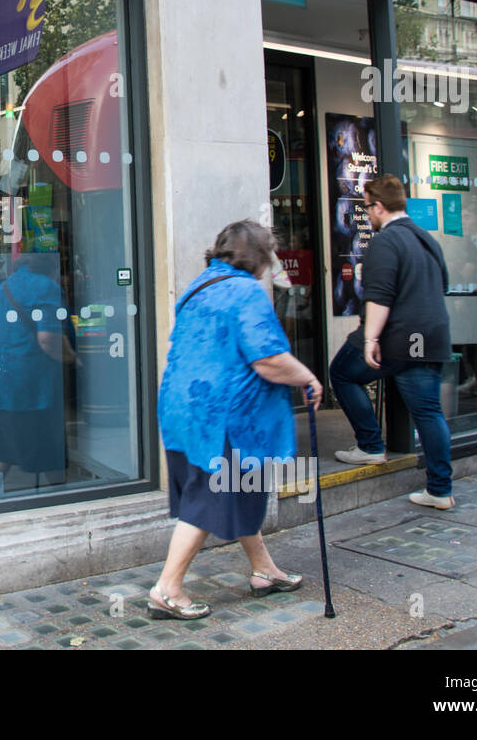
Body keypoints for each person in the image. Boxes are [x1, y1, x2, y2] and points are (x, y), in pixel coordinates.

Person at [151, 221, 322, 619]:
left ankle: (265, 570)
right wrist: (308, 377)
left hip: (184, 407)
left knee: (240, 489)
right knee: (211, 497)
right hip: (223, 416)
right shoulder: (246, 291)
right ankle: (168, 588)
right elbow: (268, 359)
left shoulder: (200, 285)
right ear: (259, 257)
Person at [329, 173, 456, 510]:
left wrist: (370, 338)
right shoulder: (425, 238)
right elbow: (442, 283)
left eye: (368, 208)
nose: (367, 214)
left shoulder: (386, 242)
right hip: (432, 334)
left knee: (342, 372)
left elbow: (380, 297)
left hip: (401, 337)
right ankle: (440, 489)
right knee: (429, 412)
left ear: (379, 207)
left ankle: (370, 445)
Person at [0, 254, 75, 499]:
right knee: (45, 443)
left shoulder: (5, 286)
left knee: (2, 445)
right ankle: (64, 497)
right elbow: (48, 339)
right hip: (26, 384)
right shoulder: (45, 287)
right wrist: (75, 359)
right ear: (51, 270)